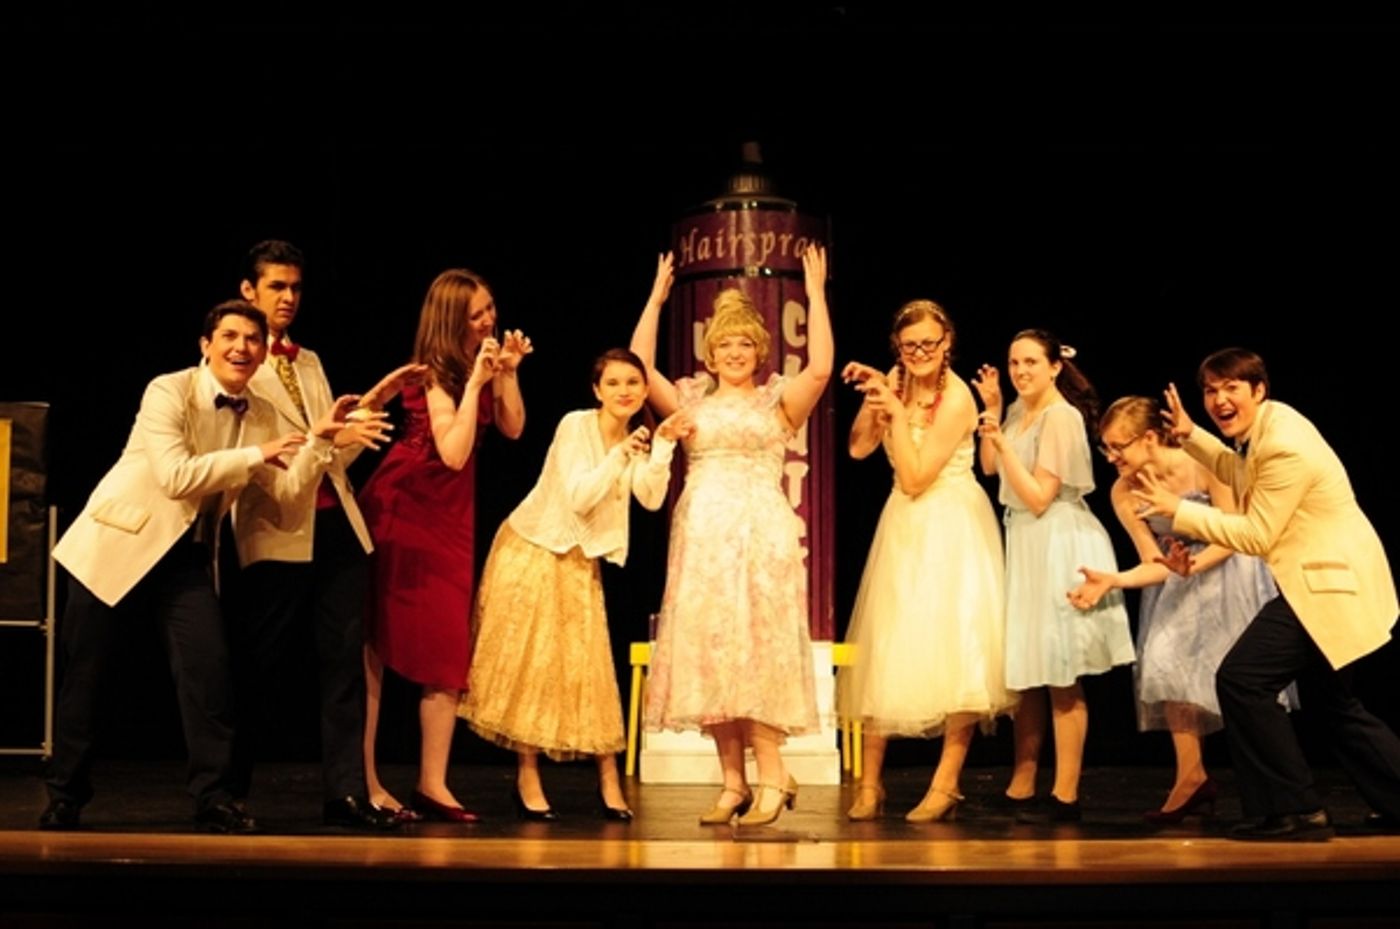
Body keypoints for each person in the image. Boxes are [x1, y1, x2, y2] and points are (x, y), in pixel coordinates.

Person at [39, 300, 379, 832]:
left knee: (209, 673)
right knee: (88, 677)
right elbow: (175, 477)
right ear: (206, 344)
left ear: (264, 352)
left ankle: (213, 797)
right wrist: (257, 454)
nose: (241, 347)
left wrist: (318, 442)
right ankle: (65, 794)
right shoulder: (168, 390)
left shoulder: (262, 412)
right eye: (229, 336)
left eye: (252, 340)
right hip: (118, 542)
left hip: (185, 556)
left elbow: (289, 495)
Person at [1132, 349, 1400, 841]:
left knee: (1241, 680)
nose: (1219, 399)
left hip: (1326, 583)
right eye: (1211, 390)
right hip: (1325, 578)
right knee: (1333, 704)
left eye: (1231, 387)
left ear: (1259, 390)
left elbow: (1256, 535)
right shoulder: (1272, 427)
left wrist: (1180, 510)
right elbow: (1244, 475)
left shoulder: (1283, 446)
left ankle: (1295, 810)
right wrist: (1193, 437)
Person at [635, 246, 832, 827]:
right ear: (710, 351)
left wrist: (815, 293)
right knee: (710, 653)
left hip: (761, 535)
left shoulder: (778, 401)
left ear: (759, 350)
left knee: (756, 651)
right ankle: (732, 783)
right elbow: (641, 366)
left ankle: (773, 775)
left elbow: (819, 368)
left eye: (745, 344)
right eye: (724, 345)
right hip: (702, 538)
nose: (734, 353)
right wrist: (656, 298)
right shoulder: (692, 399)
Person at [230, 240, 422, 830]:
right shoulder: (238, 363)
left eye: (294, 288)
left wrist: (368, 409)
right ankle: (227, 789)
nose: (287, 298)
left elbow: (326, 438)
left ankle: (344, 792)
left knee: (344, 661)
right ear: (249, 291)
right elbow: (262, 452)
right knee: (256, 664)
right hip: (276, 523)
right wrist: (327, 439)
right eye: (276, 287)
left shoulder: (306, 360)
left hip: (334, 520)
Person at [460, 346, 688, 820]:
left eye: (633, 383)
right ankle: (527, 775)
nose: (624, 391)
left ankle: (608, 777)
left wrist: (663, 445)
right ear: (596, 390)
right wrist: (620, 455)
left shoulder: (635, 439)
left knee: (589, 669)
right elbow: (580, 497)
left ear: (645, 388)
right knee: (534, 666)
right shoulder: (574, 426)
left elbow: (649, 498)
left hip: (580, 561)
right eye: (613, 383)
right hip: (533, 548)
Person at [357, 267, 530, 822]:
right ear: (452, 317)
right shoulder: (432, 374)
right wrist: (478, 381)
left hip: (452, 516)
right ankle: (365, 779)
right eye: (477, 313)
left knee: (449, 650)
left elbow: (513, 428)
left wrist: (507, 375)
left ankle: (433, 783)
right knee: (377, 645)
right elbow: (452, 451)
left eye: (490, 308)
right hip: (404, 510)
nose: (489, 320)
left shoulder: (481, 362)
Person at [1067, 395, 1289, 823]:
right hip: (1178, 575)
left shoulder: (1202, 463)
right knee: (1165, 665)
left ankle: (1272, 785)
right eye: (1106, 448)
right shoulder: (1123, 491)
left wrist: (1192, 567)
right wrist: (1115, 580)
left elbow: (1236, 531)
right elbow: (1154, 561)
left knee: (1241, 678)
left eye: (1119, 446)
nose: (1111, 457)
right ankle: (1192, 776)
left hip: (1231, 570)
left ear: (1150, 438)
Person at [837, 300, 1017, 823]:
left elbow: (918, 475)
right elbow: (857, 450)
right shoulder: (895, 379)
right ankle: (870, 785)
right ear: (897, 347)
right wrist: (876, 401)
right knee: (889, 644)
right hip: (904, 522)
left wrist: (894, 412)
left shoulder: (957, 397)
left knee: (957, 650)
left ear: (947, 346)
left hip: (950, 521)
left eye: (929, 345)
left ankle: (946, 781)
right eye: (909, 345)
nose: (919, 354)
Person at [973, 329, 1134, 824]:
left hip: (1058, 537)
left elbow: (1041, 496)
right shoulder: (1021, 411)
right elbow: (989, 468)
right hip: (1026, 539)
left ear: (1054, 366)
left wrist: (1003, 442)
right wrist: (997, 415)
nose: (1021, 371)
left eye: (1030, 363)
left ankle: (1065, 793)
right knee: (1028, 670)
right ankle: (1023, 782)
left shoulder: (1061, 416)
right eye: (1014, 362)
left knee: (1061, 672)